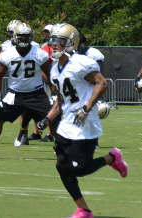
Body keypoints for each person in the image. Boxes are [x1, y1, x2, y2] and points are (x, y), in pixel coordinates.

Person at [37, 22, 127, 218]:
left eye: (60, 41)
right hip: (66, 125)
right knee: (62, 166)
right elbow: (60, 101)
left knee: (80, 169)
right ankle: (84, 210)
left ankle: (112, 158)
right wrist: (47, 118)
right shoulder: (54, 70)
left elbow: (102, 84)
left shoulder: (80, 63)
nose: (54, 45)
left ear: (71, 44)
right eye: (53, 40)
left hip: (84, 125)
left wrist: (86, 108)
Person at [0, 21, 53, 158]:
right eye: (21, 36)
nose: (24, 39)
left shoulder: (39, 53)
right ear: (15, 37)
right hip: (14, 94)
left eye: (27, 36)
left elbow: (50, 75)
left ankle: (59, 147)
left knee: (54, 117)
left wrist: (54, 93)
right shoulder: (8, 54)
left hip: (36, 94)